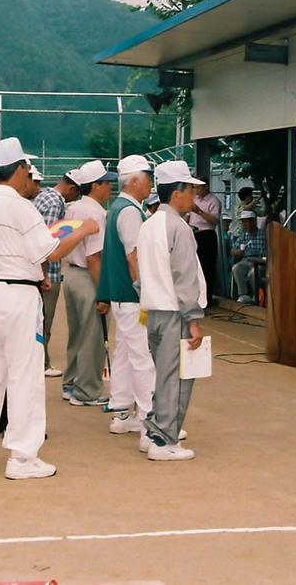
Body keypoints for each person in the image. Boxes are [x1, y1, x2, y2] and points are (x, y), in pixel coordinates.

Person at [0, 137, 98, 479]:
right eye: (26, 168)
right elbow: (49, 252)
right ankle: (22, 457)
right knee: (24, 376)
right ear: (18, 170)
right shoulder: (21, 207)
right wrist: (85, 230)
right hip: (18, 299)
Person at [136, 159, 206, 461]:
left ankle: (154, 431)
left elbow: (140, 273)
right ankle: (164, 441)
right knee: (177, 378)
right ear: (177, 192)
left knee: (163, 377)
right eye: (190, 189)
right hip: (174, 312)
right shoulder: (179, 227)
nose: (194, 196)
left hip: (153, 311)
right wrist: (193, 319)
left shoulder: (148, 224)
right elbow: (185, 277)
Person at [96, 154, 155, 436]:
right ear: (134, 181)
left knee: (125, 354)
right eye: (148, 179)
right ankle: (149, 419)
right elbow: (134, 256)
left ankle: (121, 411)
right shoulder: (130, 211)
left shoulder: (119, 207)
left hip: (122, 295)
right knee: (143, 356)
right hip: (132, 296)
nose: (151, 185)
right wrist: (144, 290)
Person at [62, 159, 115, 407]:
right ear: (95, 185)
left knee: (77, 333)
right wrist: (103, 291)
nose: (110, 188)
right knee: (92, 335)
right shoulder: (94, 213)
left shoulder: (74, 207)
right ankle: (87, 391)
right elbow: (94, 256)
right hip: (87, 275)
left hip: (72, 274)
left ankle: (71, 383)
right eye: (107, 183)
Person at [32, 171, 81, 378]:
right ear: (71, 189)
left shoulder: (43, 195)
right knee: (44, 321)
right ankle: (41, 363)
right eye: (76, 194)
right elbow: (46, 241)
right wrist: (44, 276)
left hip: (36, 269)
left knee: (37, 319)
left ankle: (39, 361)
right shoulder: (55, 203)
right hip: (47, 273)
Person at [187, 177, 221, 310]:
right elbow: (189, 217)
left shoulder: (213, 201)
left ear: (206, 186)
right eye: (194, 187)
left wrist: (199, 211)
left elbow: (215, 220)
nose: (196, 190)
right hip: (194, 233)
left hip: (206, 234)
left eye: (199, 187)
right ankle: (195, 297)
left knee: (207, 266)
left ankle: (207, 299)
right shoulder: (194, 199)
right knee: (194, 266)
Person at [229, 210, 267, 303]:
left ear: (253, 221)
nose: (244, 224)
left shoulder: (263, 234)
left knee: (253, 273)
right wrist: (238, 251)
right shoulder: (243, 236)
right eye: (243, 222)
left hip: (260, 260)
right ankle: (243, 294)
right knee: (236, 268)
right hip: (246, 259)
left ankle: (256, 295)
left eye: (246, 221)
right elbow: (232, 251)